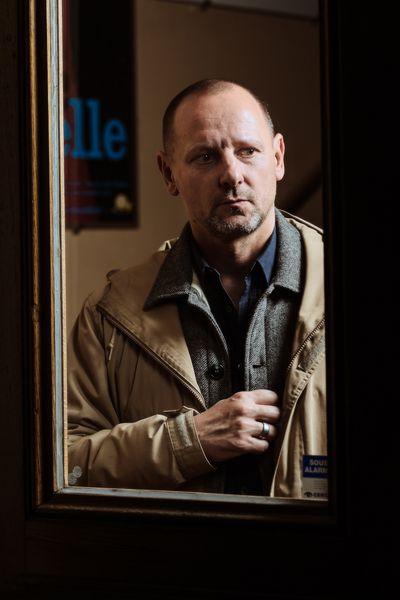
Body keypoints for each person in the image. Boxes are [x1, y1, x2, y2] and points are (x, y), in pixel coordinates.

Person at [67, 79, 326, 498]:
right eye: (205, 157)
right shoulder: (109, 314)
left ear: (277, 157)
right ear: (169, 174)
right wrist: (189, 442)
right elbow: (66, 469)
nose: (231, 175)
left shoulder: (357, 288)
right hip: (171, 561)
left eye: (248, 151)